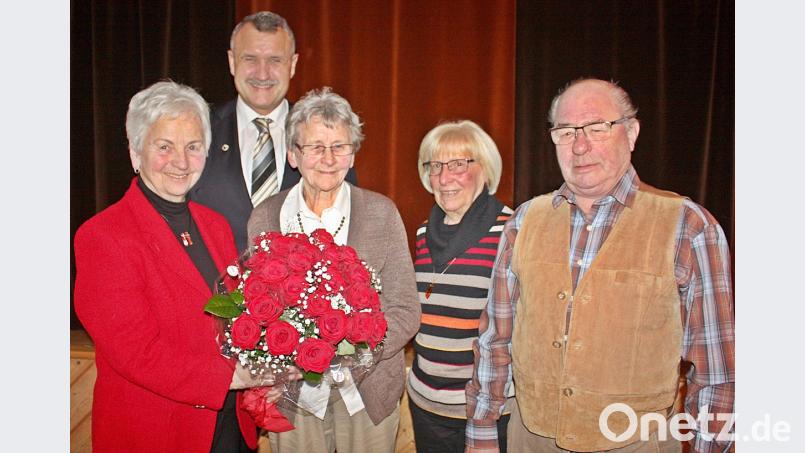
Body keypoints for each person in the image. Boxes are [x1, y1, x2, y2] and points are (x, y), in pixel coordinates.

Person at [464, 78, 735, 453]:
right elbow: (494, 340)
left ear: (632, 132)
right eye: (566, 131)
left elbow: (717, 374)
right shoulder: (524, 221)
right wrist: (481, 433)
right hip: (531, 438)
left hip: (638, 443)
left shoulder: (689, 227)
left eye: (597, 128)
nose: (580, 145)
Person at [73, 80, 286, 452]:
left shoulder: (215, 225)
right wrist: (230, 376)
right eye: (164, 147)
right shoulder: (103, 236)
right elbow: (135, 351)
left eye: (193, 147)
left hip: (229, 425)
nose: (181, 162)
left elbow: (237, 319)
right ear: (135, 153)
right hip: (157, 431)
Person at [247, 87, 420, 453]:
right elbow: (253, 310)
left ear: (353, 154)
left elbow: (406, 310)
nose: (328, 158)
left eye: (340, 146)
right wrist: (283, 359)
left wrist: (350, 355)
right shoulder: (265, 217)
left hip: (368, 394)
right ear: (294, 155)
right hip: (294, 396)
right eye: (314, 147)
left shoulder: (381, 213)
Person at [191, 11, 357, 253]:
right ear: (231, 61)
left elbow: (348, 225)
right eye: (250, 58)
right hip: (215, 289)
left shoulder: (329, 138)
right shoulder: (199, 131)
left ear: (293, 65)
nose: (262, 73)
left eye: (275, 60)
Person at [406, 120, 515, 453]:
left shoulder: (510, 231)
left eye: (457, 164)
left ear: (485, 169)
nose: (443, 177)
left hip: (484, 409)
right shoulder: (424, 233)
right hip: (426, 403)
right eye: (436, 166)